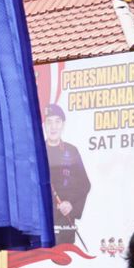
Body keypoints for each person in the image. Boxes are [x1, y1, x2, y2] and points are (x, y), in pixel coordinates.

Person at [44, 104, 91, 245]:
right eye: (49, 122)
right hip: (42, 219)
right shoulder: (36, 152)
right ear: (44, 125)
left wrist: (71, 204)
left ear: (63, 125)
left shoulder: (71, 151)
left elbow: (85, 184)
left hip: (65, 219)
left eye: (57, 121)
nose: (53, 127)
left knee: (66, 259)